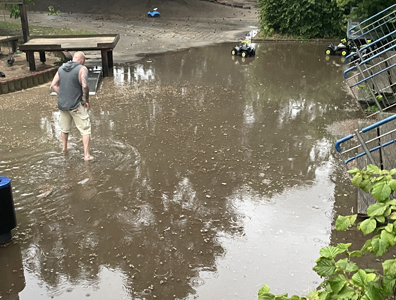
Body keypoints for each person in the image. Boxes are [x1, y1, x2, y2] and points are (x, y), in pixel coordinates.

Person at [50, 51, 94, 161]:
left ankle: (64, 148)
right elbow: (84, 86)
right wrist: (86, 100)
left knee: (64, 128)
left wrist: (63, 95)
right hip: (76, 105)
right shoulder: (82, 69)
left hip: (63, 104)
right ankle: (87, 155)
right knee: (85, 129)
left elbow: (53, 85)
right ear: (82, 60)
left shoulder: (61, 68)